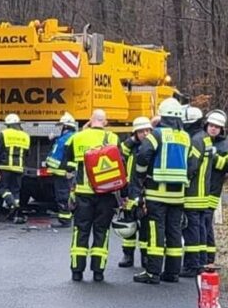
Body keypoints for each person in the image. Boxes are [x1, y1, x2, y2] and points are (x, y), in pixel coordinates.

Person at [130, 97, 191, 284]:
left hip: (157, 192)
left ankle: (153, 272)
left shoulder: (157, 135)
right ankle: (172, 272)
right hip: (178, 194)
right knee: (174, 232)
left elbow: (142, 155)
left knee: (157, 231)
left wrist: (140, 177)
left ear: (162, 115)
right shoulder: (185, 136)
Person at [63, 109, 119, 282]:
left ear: (90, 120)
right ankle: (98, 272)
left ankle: (77, 271)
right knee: (101, 232)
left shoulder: (76, 138)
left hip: (83, 193)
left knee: (81, 231)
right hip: (106, 194)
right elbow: (119, 166)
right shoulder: (112, 138)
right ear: (105, 121)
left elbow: (67, 164)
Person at [203, 109, 228, 265]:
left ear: (221, 129)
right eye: (211, 125)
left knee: (206, 223)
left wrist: (216, 158)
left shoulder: (224, 146)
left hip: (212, 191)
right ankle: (199, 258)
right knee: (197, 225)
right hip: (197, 190)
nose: (213, 128)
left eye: (216, 127)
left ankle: (209, 259)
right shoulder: (199, 140)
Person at [117, 117, 153, 268]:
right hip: (130, 191)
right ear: (135, 133)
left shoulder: (153, 147)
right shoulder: (129, 147)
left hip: (146, 191)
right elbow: (119, 153)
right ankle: (128, 255)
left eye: (147, 130)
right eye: (141, 131)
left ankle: (145, 257)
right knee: (129, 226)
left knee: (145, 228)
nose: (145, 133)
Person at [182, 112, 212, 276]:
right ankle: (200, 261)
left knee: (191, 229)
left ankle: (192, 265)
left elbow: (191, 165)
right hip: (203, 193)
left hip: (193, 193)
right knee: (200, 229)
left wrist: (183, 180)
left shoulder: (195, 140)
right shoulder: (205, 137)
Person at [44, 112, 78, 226]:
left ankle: (65, 219)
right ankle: (65, 218)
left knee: (63, 195)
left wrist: (69, 171)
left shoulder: (68, 138)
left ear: (66, 126)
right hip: (61, 172)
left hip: (63, 172)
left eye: (62, 126)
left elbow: (69, 155)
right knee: (63, 194)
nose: (61, 128)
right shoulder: (67, 137)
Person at [0, 113, 31, 217]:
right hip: (19, 168)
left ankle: (12, 205)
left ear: (8, 124)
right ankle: (15, 212)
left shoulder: (5, 133)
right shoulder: (25, 136)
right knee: (16, 190)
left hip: (5, 167)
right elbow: (28, 153)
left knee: (3, 188)